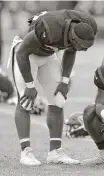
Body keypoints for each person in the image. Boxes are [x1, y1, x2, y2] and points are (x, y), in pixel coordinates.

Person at [9, 9, 97, 166]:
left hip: (48, 55)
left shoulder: (86, 26)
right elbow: (22, 53)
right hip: (26, 53)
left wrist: (64, 82)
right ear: (73, 37)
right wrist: (30, 85)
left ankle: (55, 152)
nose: (85, 50)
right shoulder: (50, 26)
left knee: (58, 100)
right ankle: (26, 152)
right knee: (26, 101)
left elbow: (71, 51)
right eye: (83, 46)